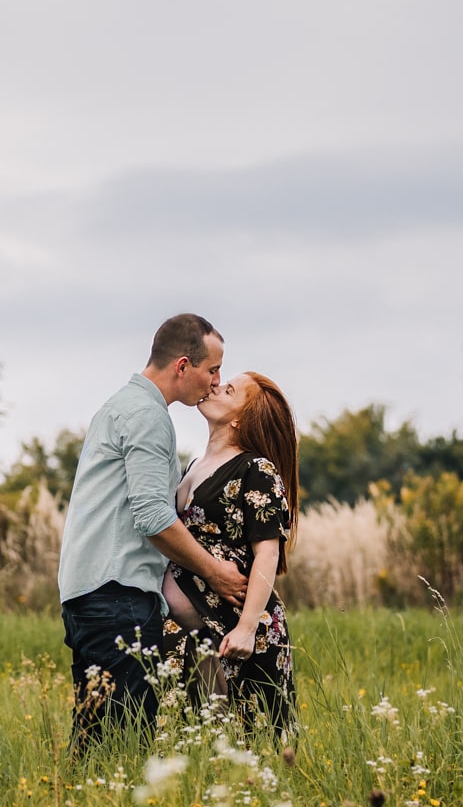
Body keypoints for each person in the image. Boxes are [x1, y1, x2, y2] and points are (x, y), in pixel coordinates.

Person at [57, 314, 249, 751]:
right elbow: (152, 517)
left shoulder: (121, 405)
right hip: (117, 594)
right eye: (212, 369)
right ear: (183, 366)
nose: (216, 381)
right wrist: (215, 572)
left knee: (95, 743)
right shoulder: (147, 416)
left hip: (91, 593)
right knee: (126, 744)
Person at [162, 371, 300, 734]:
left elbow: (268, 554)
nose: (215, 386)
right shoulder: (193, 466)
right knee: (207, 740)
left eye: (230, 389)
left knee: (256, 741)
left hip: (239, 630)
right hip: (198, 630)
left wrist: (245, 628)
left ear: (241, 418)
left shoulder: (256, 470)